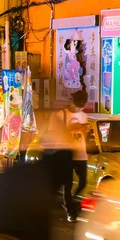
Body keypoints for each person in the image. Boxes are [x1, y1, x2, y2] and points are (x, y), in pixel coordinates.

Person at [43, 90, 89, 222]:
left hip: (81, 152)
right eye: (80, 103)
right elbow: (53, 134)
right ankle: (70, 211)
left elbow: (82, 135)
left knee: (83, 183)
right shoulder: (61, 114)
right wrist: (71, 128)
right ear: (75, 102)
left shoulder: (84, 115)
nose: (81, 107)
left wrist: (84, 130)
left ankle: (70, 202)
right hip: (66, 154)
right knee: (67, 184)